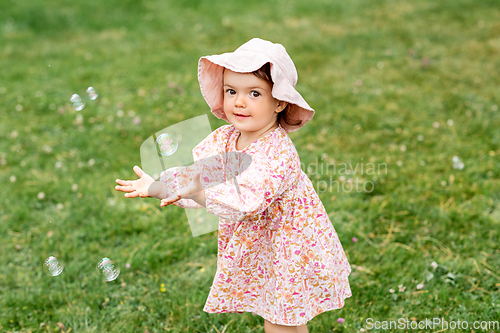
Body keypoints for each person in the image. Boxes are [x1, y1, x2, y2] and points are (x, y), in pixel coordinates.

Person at [115, 38, 352, 333]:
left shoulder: (277, 152)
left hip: (289, 249)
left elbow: (245, 202)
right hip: (263, 246)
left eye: (254, 93)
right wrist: (159, 187)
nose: (239, 102)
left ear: (279, 101)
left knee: (281, 320)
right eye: (231, 91)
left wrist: (198, 189)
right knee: (276, 315)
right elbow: (197, 177)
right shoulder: (226, 139)